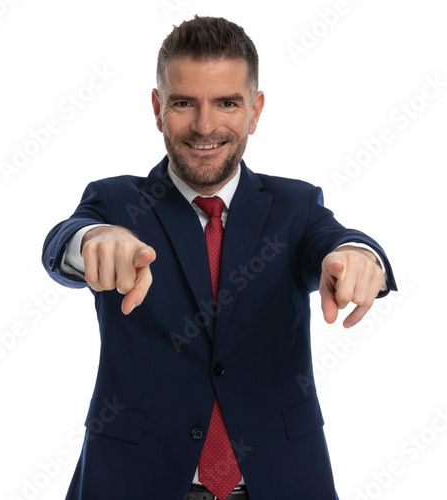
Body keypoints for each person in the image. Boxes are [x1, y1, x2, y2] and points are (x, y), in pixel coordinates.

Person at [42, 15, 397, 500]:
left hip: (282, 480)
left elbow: (338, 241)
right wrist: (93, 242)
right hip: (134, 479)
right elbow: (64, 240)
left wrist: (359, 256)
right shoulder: (116, 203)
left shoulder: (294, 206)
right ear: (157, 108)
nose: (205, 126)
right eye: (184, 103)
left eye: (226, 103)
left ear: (254, 110)